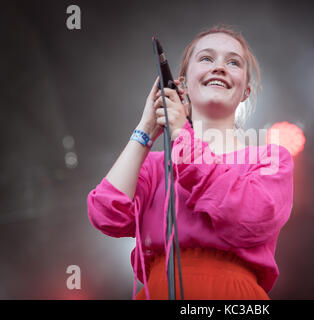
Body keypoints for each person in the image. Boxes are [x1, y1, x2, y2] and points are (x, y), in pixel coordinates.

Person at [87, 24, 294, 300]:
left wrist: (183, 137)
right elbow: (106, 214)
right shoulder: (155, 165)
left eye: (233, 62)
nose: (219, 67)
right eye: (207, 58)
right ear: (181, 85)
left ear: (246, 91)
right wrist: (146, 128)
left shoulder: (269, 158)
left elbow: (251, 220)